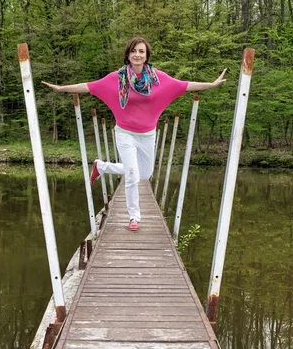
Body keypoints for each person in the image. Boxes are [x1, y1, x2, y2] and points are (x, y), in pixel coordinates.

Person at [42, 36, 227, 231]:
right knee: (132, 175)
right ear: (128, 55)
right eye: (133, 51)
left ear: (146, 56)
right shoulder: (116, 78)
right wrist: (62, 89)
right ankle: (134, 217)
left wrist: (212, 84)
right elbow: (89, 86)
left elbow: (185, 85)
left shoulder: (159, 79)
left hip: (147, 135)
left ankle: (102, 166)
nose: (137, 55)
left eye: (141, 51)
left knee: (144, 174)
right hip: (125, 134)